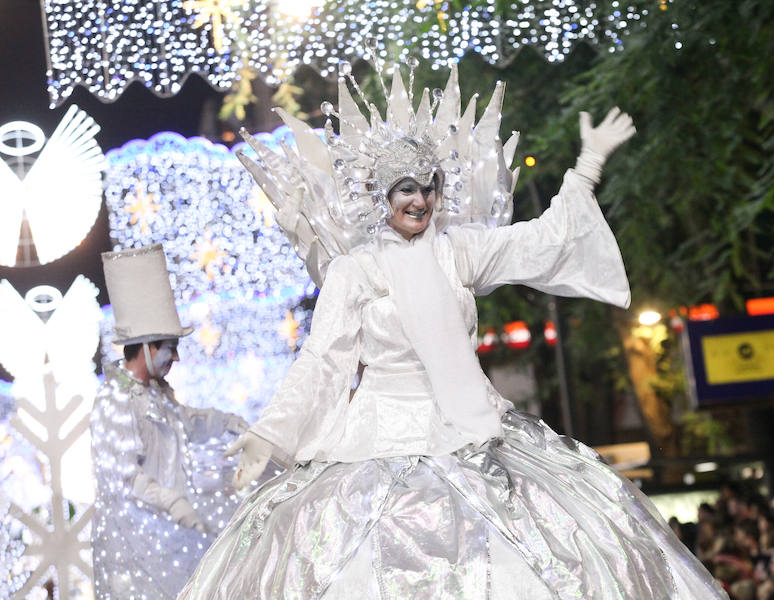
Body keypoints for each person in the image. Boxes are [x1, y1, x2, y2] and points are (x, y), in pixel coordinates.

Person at [179, 59, 727, 598]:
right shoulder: (356, 271)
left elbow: (542, 242)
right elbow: (323, 358)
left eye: (429, 187)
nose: (419, 200)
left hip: (473, 430)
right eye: (405, 189)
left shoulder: (458, 252)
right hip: (375, 438)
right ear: (383, 197)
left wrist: (588, 165)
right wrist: (271, 432)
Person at [91, 244, 251, 599]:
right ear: (147, 346)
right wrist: (174, 504)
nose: (175, 357)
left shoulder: (158, 394)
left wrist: (231, 423)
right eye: (169, 347)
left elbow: (188, 423)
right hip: (139, 553)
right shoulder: (115, 400)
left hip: (175, 543)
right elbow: (124, 477)